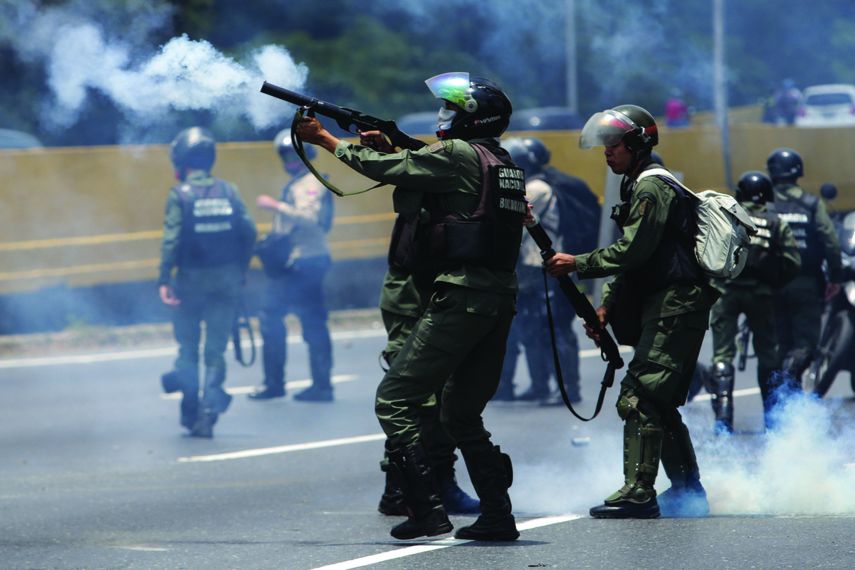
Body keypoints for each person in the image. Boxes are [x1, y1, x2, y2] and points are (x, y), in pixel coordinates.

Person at [296, 72, 522, 541]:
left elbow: (391, 171)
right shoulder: (499, 160)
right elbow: (422, 171)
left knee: (395, 398)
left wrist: (323, 138)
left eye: (453, 109)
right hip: (497, 297)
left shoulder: (457, 153)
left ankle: (425, 509)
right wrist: (391, 146)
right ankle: (498, 515)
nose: (445, 115)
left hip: (460, 294)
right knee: (460, 412)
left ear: (471, 118)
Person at [545, 105, 717, 519]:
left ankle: (640, 492)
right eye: (604, 144)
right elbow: (636, 261)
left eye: (614, 143)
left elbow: (632, 251)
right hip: (668, 304)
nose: (607, 152)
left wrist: (577, 263)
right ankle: (687, 491)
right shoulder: (638, 185)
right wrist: (606, 305)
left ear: (637, 143)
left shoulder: (650, 188)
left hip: (676, 304)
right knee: (658, 402)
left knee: (640, 396)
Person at [158, 126, 256, 438]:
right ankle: (210, 411)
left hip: (190, 284)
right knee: (215, 350)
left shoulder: (180, 196)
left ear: (182, 161)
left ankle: (190, 409)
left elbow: (171, 241)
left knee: (188, 348)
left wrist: (163, 278)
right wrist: (240, 270)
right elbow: (249, 231)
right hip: (226, 283)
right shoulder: (229, 191)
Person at [708, 171, 801, 433]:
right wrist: (774, 284)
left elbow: (706, 253)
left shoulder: (726, 218)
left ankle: (723, 420)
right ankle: (771, 418)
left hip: (725, 293)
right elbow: (792, 262)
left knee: (722, 355)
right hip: (761, 295)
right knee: (768, 356)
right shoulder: (775, 222)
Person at [493, 137, 582, 405]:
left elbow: (508, 219)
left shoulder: (536, 189)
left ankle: (568, 388)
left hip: (545, 269)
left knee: (554, 329)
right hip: (532, 269)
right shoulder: (532, 186)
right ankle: (540, 384)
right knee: (531, 329)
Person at [248, 132, 335, 402]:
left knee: (310, 322)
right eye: (286, 157)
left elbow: (308, 218)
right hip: (293, 262)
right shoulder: (297, 183)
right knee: (271, 317)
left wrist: (274, 206)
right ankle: (276, 383)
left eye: (294, 156)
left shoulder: (312, 182)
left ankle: (320, 386)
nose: (289, 162)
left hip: (307, 262)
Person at [767, 148, 842, 382]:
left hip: (770, 285)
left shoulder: (764, 205)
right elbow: (829, 240)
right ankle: (790, 384)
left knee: (780, 344)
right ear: (798, 172)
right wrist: (836, 277)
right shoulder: (811, 204)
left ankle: (781, 400)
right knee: (806, 346)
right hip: (806, 283)